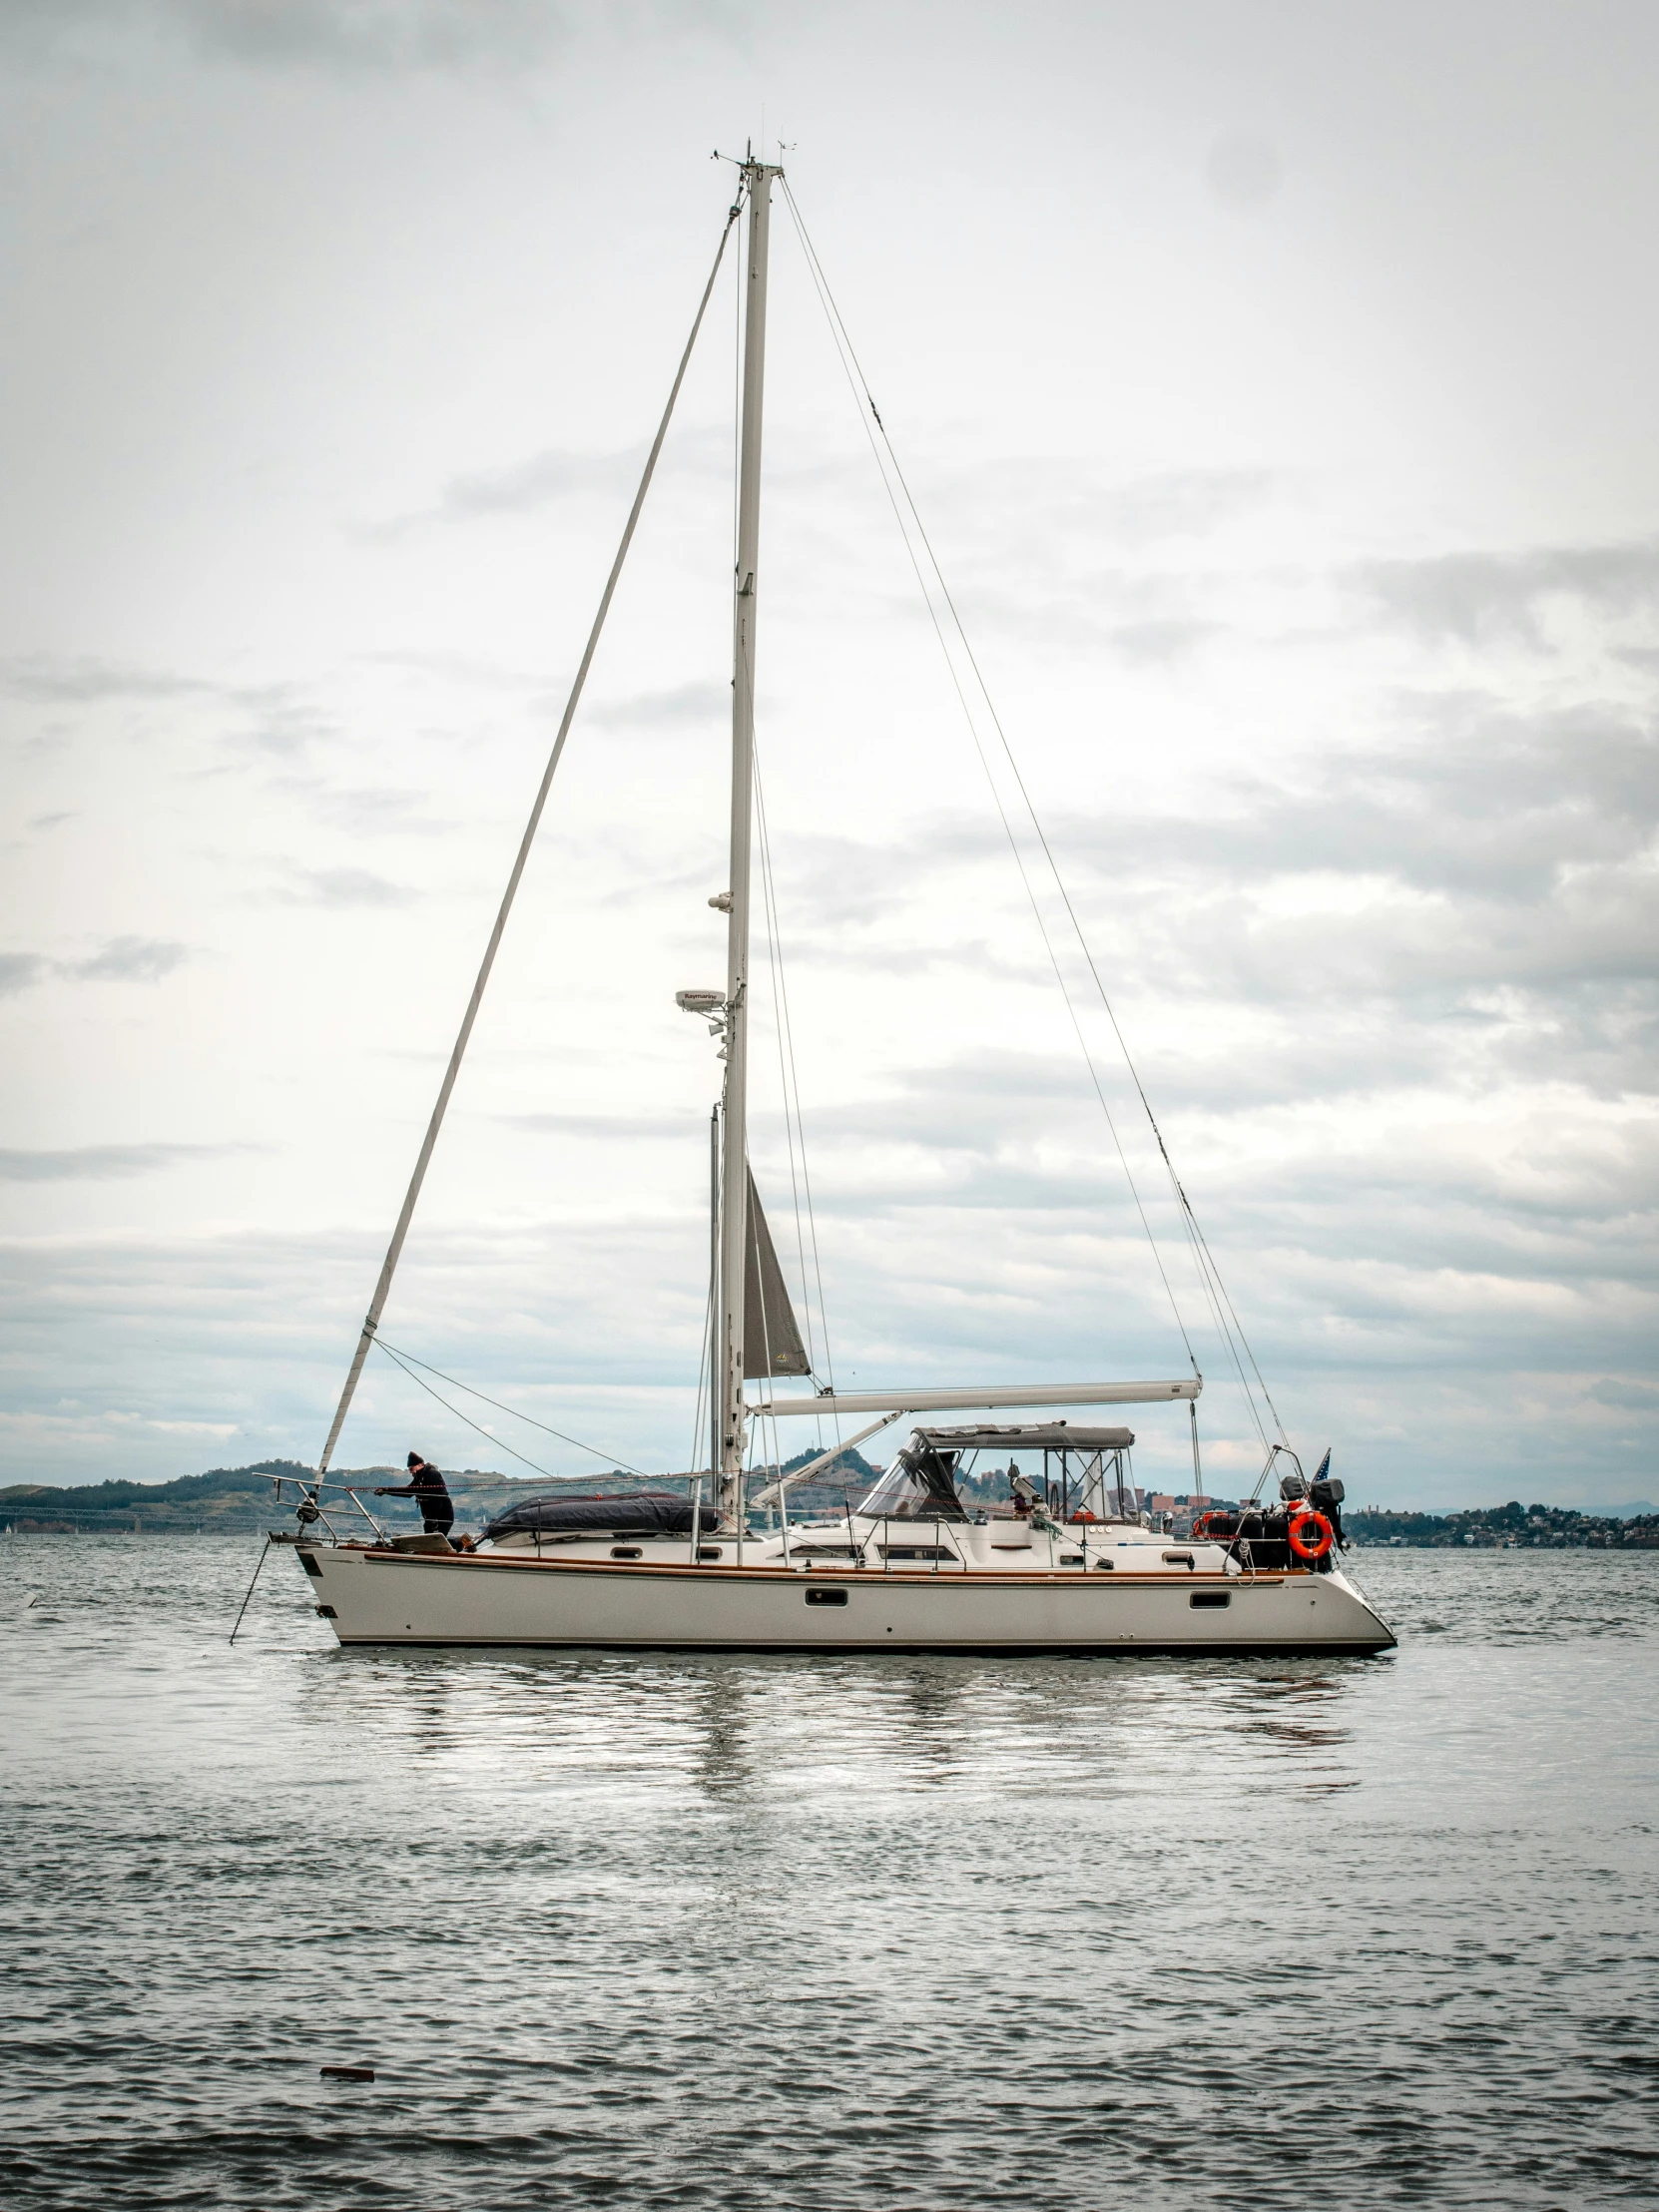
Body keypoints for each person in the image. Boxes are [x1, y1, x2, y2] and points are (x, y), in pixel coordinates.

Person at [375, 1452, 455, 1538]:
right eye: (409, 1469)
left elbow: (438, 1497)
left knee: (437, 1539)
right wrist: (386, 1490)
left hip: (442, 1514)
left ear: (420, 1465)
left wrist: (433, 1520)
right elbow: (408, 1491)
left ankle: (459, 1544)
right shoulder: (419, 1478)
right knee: (431, 1539)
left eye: (411, 1468)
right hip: (431, 1517)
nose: (410, 1472)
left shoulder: (433, 1474)